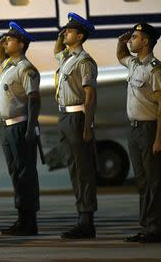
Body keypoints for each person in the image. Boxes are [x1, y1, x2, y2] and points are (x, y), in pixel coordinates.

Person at [117, 23, 161, 243]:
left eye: (134, 37)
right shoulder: (134, 64)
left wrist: (159, 138)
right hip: (135, 129)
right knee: (143, 181)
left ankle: (157, 228)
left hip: (149, 129)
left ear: (145, 41)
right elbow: (121, 56)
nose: (131, 40)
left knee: (155, 180)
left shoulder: (155, 70)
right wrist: (121, 41)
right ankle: (147, 226)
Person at [53, 12, 98, 239]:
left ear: (80, 36)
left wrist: (88, 126)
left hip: (78, 117)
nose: (64, 33)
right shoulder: (67, 58)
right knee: (74, 169)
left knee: (84, 170)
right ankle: (81, 215)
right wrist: (61, 37)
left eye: (69, 30)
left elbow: (90, 97)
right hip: (65, 117)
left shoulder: (85, 62)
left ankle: (87, 220)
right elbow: (56, 51)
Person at [0, 21, 41, 236]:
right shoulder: (9, 65)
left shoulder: (26, 69)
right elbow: (1, 56)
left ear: (21, 44)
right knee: (16, 174)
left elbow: (34, 100)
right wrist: (1, 44)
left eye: (10, 39)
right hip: (8, 128)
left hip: (21, 126)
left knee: (26, 175)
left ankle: (29, 221)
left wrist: (31, 128)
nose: (6, 41)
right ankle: (21, 218)